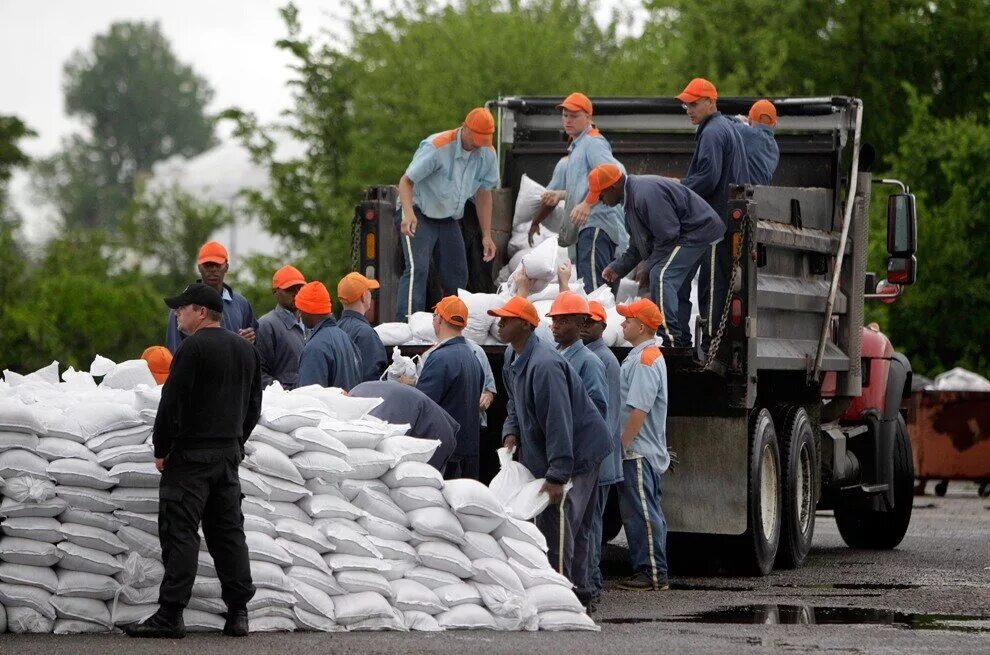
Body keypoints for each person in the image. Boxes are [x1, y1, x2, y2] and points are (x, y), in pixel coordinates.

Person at [127, 283, 262, 639]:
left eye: (182, 308)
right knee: (228, 533)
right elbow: (253, 408)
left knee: (181, 532)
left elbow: (171, 403)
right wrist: (235, 441)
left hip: (189, 457)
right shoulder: (246, 351)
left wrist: (162, 448)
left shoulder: (191, 349)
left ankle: (170, 614)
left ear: (201, 312)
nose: (177, 314)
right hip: (227, 456)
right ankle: (238, 613)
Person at [490, 296, 611, 607]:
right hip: (569, 447)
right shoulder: (513, 358)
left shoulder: (544, 365)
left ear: (526, 326)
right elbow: (514, 402)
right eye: (499, 318)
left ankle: (562, 598)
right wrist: (511, 429)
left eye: (506, 319)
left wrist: (557, 475)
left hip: (581, 451)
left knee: (562, 522)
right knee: (572, 524)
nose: (500, 324)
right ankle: (580, 595)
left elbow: (559, 421)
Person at [594, 164, 725, 347]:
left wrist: (648, 267)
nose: (600, 200)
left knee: (662, 275)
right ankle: (682, 341)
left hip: (697, 231)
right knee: (673, 285)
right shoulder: (632, 200)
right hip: (686, 233)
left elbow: (668, 235)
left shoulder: (643, 194)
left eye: (600, 195)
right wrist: (618, 267)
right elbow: (640, 245)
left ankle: (669, 338)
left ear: (612, 187)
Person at [395, 107, 499, 321]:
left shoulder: (487, 153)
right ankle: (407, 325)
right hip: (419, 212)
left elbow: (484, 194)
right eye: (477, 138)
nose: (479, 144)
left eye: (485, 140)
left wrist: (486, 234)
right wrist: (407, 214)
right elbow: (406, 181)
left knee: (458, 274)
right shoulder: (437, 147)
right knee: (418, 269)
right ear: (465, 127)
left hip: (449, 218)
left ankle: (452, 324)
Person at [675, 78, 751, 343]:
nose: (689, 109)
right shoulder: (726, 127)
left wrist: (680, 189)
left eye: (693, 104)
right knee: (715, 281)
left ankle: (709, 342)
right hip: (725, 219)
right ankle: (713, 340)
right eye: (686, 105)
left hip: (714, 220)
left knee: (711, 283)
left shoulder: (712, 132)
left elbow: (708, 177)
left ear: (710, 102)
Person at [537, 93, 628, 292]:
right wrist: (562, 195)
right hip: (591, 229)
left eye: (574, 116)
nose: (568, 120)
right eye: (565, 115)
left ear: (588, 117)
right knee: (602, 293)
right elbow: (585, 184)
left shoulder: (593, 142)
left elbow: (614, 175)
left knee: (595, 295)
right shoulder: (578, 146)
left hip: (597, 227)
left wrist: (588, 203)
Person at [615, 298, 671, 591]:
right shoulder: (643, 355)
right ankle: (651, 570)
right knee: (643, 512)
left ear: (642, 326)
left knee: (643, 514)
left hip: (637, 451)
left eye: (627, 319)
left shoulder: (646, 359)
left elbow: (638, 410)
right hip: (640, 450)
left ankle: (653, 573)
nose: (623, 323)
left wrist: (622, 447)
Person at [414, 296, 484, 479]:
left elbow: (422, 404)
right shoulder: (473, 357)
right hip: (467, 454)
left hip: (447, 457)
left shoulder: (440, 358)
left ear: (440, 319)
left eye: (434, 315)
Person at [581, 300, 623, 603]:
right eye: (582, 320)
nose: (584, 326)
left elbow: (599, 415)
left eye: (591, 322)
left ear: (602, 327)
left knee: (593, 524)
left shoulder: (600, 361)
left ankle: (592, 586)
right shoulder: (595, 356)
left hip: (600, 459)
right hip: (602, 457)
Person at [165, 241, 257, 354]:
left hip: (234, 370)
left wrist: (249, 341)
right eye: (207, 265)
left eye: (217, 265)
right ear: (199, 267)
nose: (213, 269)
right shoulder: (182, 306)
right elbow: (175, 351)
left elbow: (255, 345)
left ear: (226, 267)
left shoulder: (241, 303)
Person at [350, 381, 460, 472]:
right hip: (422, 417)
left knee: (423, 482)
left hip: (438, 432)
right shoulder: (357, 393)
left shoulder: (376, 416)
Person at [296, 281, 363, 391]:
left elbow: (308, 399)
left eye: (300, 310)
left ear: (308, 310)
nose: (299, 314)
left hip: (328, 408)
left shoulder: (315, 348)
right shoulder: (346, 339)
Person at [255, 265, 307, 390]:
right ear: (275, 292)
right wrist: (283, 393)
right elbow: (258, 373)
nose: (296, 293)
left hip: (312, 400)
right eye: (290, 289)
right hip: (284, 405)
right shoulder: (266, 325)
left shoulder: (311, 322)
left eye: (300, 288)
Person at [337, 272, 388, 382]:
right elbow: (373, 378)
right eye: (369, 291)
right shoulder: (366, 334)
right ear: (363, 297)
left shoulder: (335, 329)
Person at [731, 99, 780, 186]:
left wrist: (737, 119)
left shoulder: (748, 133)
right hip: (763, 193)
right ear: (774, 124)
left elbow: (722, 124)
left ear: (749, 120)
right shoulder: (774, 146)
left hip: (746, 193)